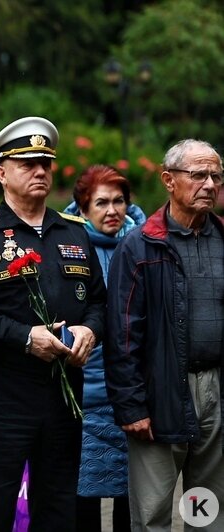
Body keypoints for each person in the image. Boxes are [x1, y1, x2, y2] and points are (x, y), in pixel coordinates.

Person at [0, 117, 106, 531]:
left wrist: (91, 329)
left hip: (63, 395)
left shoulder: (73, 231)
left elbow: (98, 301)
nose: (40, 171)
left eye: (46, 164)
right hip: (2, 396)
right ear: (2, 173)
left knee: (58, 506)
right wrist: (23, 336)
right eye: (27, 164)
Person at [105, 139, 224, 530]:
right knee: (152, 513)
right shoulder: (139, 245)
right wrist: (131, 406)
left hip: (216, 392)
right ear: (168, 180)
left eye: (216, 176)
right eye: (199, 174)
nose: (209, 184)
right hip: (159, 396)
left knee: (206, 509)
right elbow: (123, 333)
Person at [64, 165, 146, 531]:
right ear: (83, 208)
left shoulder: (144, 244)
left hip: (133, 396)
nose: (112, 210)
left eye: (119, 201)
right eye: (101, 203)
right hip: (86, 397)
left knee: (133, 496)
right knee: (83, 496)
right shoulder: (68, 248)